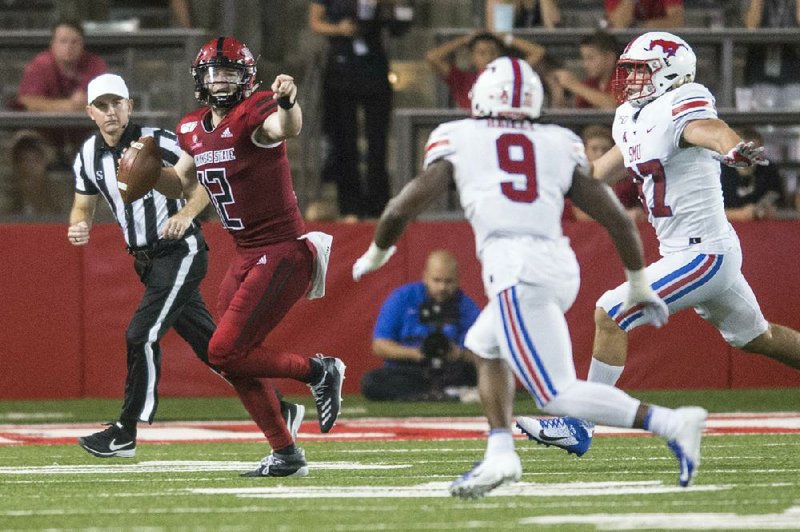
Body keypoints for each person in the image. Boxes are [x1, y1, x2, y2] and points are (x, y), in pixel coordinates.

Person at [352, 55, 708, 498]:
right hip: (554, 264)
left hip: (519, 271)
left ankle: (672, 423)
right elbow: (615, 217)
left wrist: (377, 251)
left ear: (482, 93)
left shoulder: (457, 135)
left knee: (554, 394)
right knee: (484, 347)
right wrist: (636, 280)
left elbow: (401, 206)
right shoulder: (559, 141)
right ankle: (501, 453)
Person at [519, 31, 800, 459]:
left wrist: (731, 148)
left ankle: (578, 424)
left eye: (640, 71)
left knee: (610, 312)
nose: (629, 80)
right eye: (628, 71)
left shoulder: (681, 101)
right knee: (757, 337)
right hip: (692, 251)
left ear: (670, 72)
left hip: (703, 252)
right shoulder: (630, 117)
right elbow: (600, 173)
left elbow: (709, 129)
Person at [156, 36, 346, 478]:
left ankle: (319, 370)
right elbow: (181, 180)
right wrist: (145, 174)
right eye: (213, 73)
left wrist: (289, 101)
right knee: (231, 356)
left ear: (247, 78)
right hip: (245, 254)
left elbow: (288, 127)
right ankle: (285, 452)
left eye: (229, 73)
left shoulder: (256, 111)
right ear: (200, 78)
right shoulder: (190, 127)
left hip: (281, 249)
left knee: (224, 350)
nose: (221, 81)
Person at [69, 73, 220, 458]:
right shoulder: (88, 155)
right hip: (148, 263)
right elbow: (83, 202)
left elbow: (203, 185)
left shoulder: (159, 142)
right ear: (90, 113)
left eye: (116, 103)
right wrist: (79, 224)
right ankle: (293, 394)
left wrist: (186, 214)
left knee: (141, 334)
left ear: (130, 106)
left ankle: (126, 429)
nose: (110, 112)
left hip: (179, 251)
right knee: (216, 349)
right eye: (101, 106)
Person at [308, 0, 412, 219]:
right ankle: (350, 205)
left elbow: (398, 24)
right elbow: (315, 22)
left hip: (373, 65)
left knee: (378, 141)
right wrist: (339, 29)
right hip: (341, 67)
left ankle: (378, 203)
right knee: (344, 139)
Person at [361, 250, 480, 401]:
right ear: (425, 277)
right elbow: (380, 345)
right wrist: (417, 354)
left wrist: (458, 354)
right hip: (410, 370)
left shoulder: (467, 307)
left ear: (458, 281)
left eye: (448, 282)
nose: (442, 287)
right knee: (371, 381)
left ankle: (438, 393)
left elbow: (484, 354)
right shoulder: (402, 298)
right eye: (437, 280)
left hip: (451, 369)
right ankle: (445, 394)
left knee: (481, 373)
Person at [425, 31, 550, 110]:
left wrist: (506, 38)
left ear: (500, 55)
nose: (488, 57)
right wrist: (464, 40)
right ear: (472, 57)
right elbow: (432, 57)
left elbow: (539, 52)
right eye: (482, 53)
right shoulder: (462, 79)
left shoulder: (510, 76)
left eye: (493, 52)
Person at [567, 124, 644, 222]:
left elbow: (644, 211)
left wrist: (638, 213)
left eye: (605, 149)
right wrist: (624, 216)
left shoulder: (628, 183)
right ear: (584, 151)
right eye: (594, 149)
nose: (600, 153)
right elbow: (580, 215)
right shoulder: (573, 179)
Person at [721, 127, 788, 221]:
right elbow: (707, 213)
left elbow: (782, 206)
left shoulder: (768, 170)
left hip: (762, 228)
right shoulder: (719, 171)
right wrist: (737, 214)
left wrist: (769, 211)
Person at [552, 31, 619, 110]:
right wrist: (558, 95)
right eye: (584, 59)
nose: (585, 64)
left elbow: (613, 106)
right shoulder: (590, 83)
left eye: (590, 58)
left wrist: (573, 84)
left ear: (609, 58)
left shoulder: (625, 78)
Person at [604, 0, 685, 29]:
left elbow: (677, 22)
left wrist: (642, 27)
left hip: (660, 40)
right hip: (626, 45)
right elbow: (619, 25)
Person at [485, 0, 561, 30]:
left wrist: (545, 3)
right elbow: (499, 33)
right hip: (511, 44)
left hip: (539, 44)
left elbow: (552, 29)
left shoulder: (544, 2)